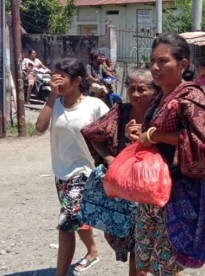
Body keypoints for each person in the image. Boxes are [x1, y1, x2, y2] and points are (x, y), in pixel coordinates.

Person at [129, 32, 205, 276]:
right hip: (153, 190)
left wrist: (155, 136)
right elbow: (154, 134)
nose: (155, 67)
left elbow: (204, 142)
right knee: (145, 256)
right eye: (152, 61)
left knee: (168, 263)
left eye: (162, 61)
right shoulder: (160, 97)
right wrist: (140, 133)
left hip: (178, 192)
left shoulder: (191, 96)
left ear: (183, 65)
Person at [35, 58, 109, 276]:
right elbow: (39, 127)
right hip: (61, 172)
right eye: (54, 75)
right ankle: (93, 250)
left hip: (86, 173)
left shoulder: (94, 105)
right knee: (76, 216)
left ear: (77, 80)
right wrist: (52, 95)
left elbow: (110, 133)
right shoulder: (55, 104)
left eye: (61, 76)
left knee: (66, 222)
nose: (56, 79)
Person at [81, 70, 157, 276]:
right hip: (128, 196)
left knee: (161, 253)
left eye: (142, 89)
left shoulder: (161, 113)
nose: (135, 94)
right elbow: (92, 133)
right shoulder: (120, 112)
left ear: (154, 91)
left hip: (156, 194)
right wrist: (108, 158)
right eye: (131, 89)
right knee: (136, 249)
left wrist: (145, 139)